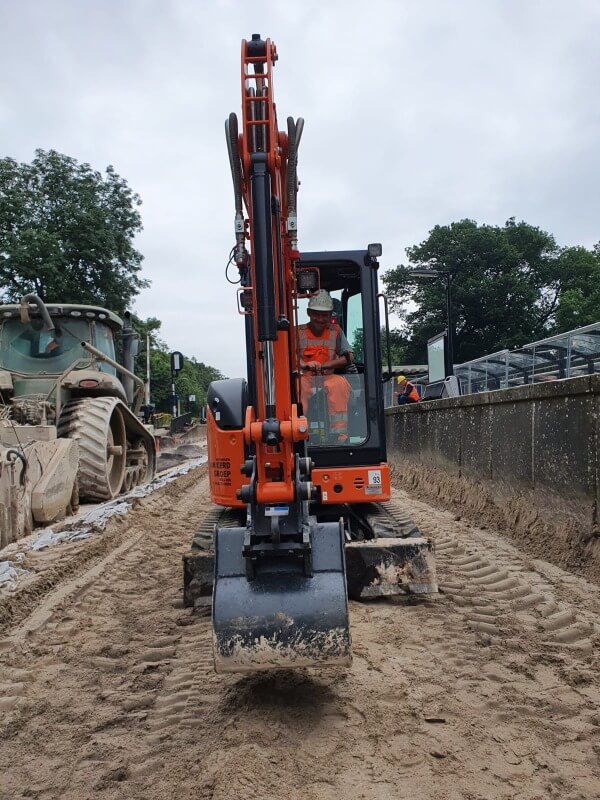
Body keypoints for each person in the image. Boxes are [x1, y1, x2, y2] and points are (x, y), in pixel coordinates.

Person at [298, 290, 352, 442]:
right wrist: (305, 365)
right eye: (316, 314)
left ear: (330, 315)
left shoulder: (336, 331)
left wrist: (328, 364)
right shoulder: (298, 332)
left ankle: (339, 435)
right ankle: (300, 430)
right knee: (299, 388)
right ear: (309, 312)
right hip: (306, 377)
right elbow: (289, 357)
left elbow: (348, 357)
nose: (320, 319)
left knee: (339, 385)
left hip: (328, 376)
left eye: (325, 315)